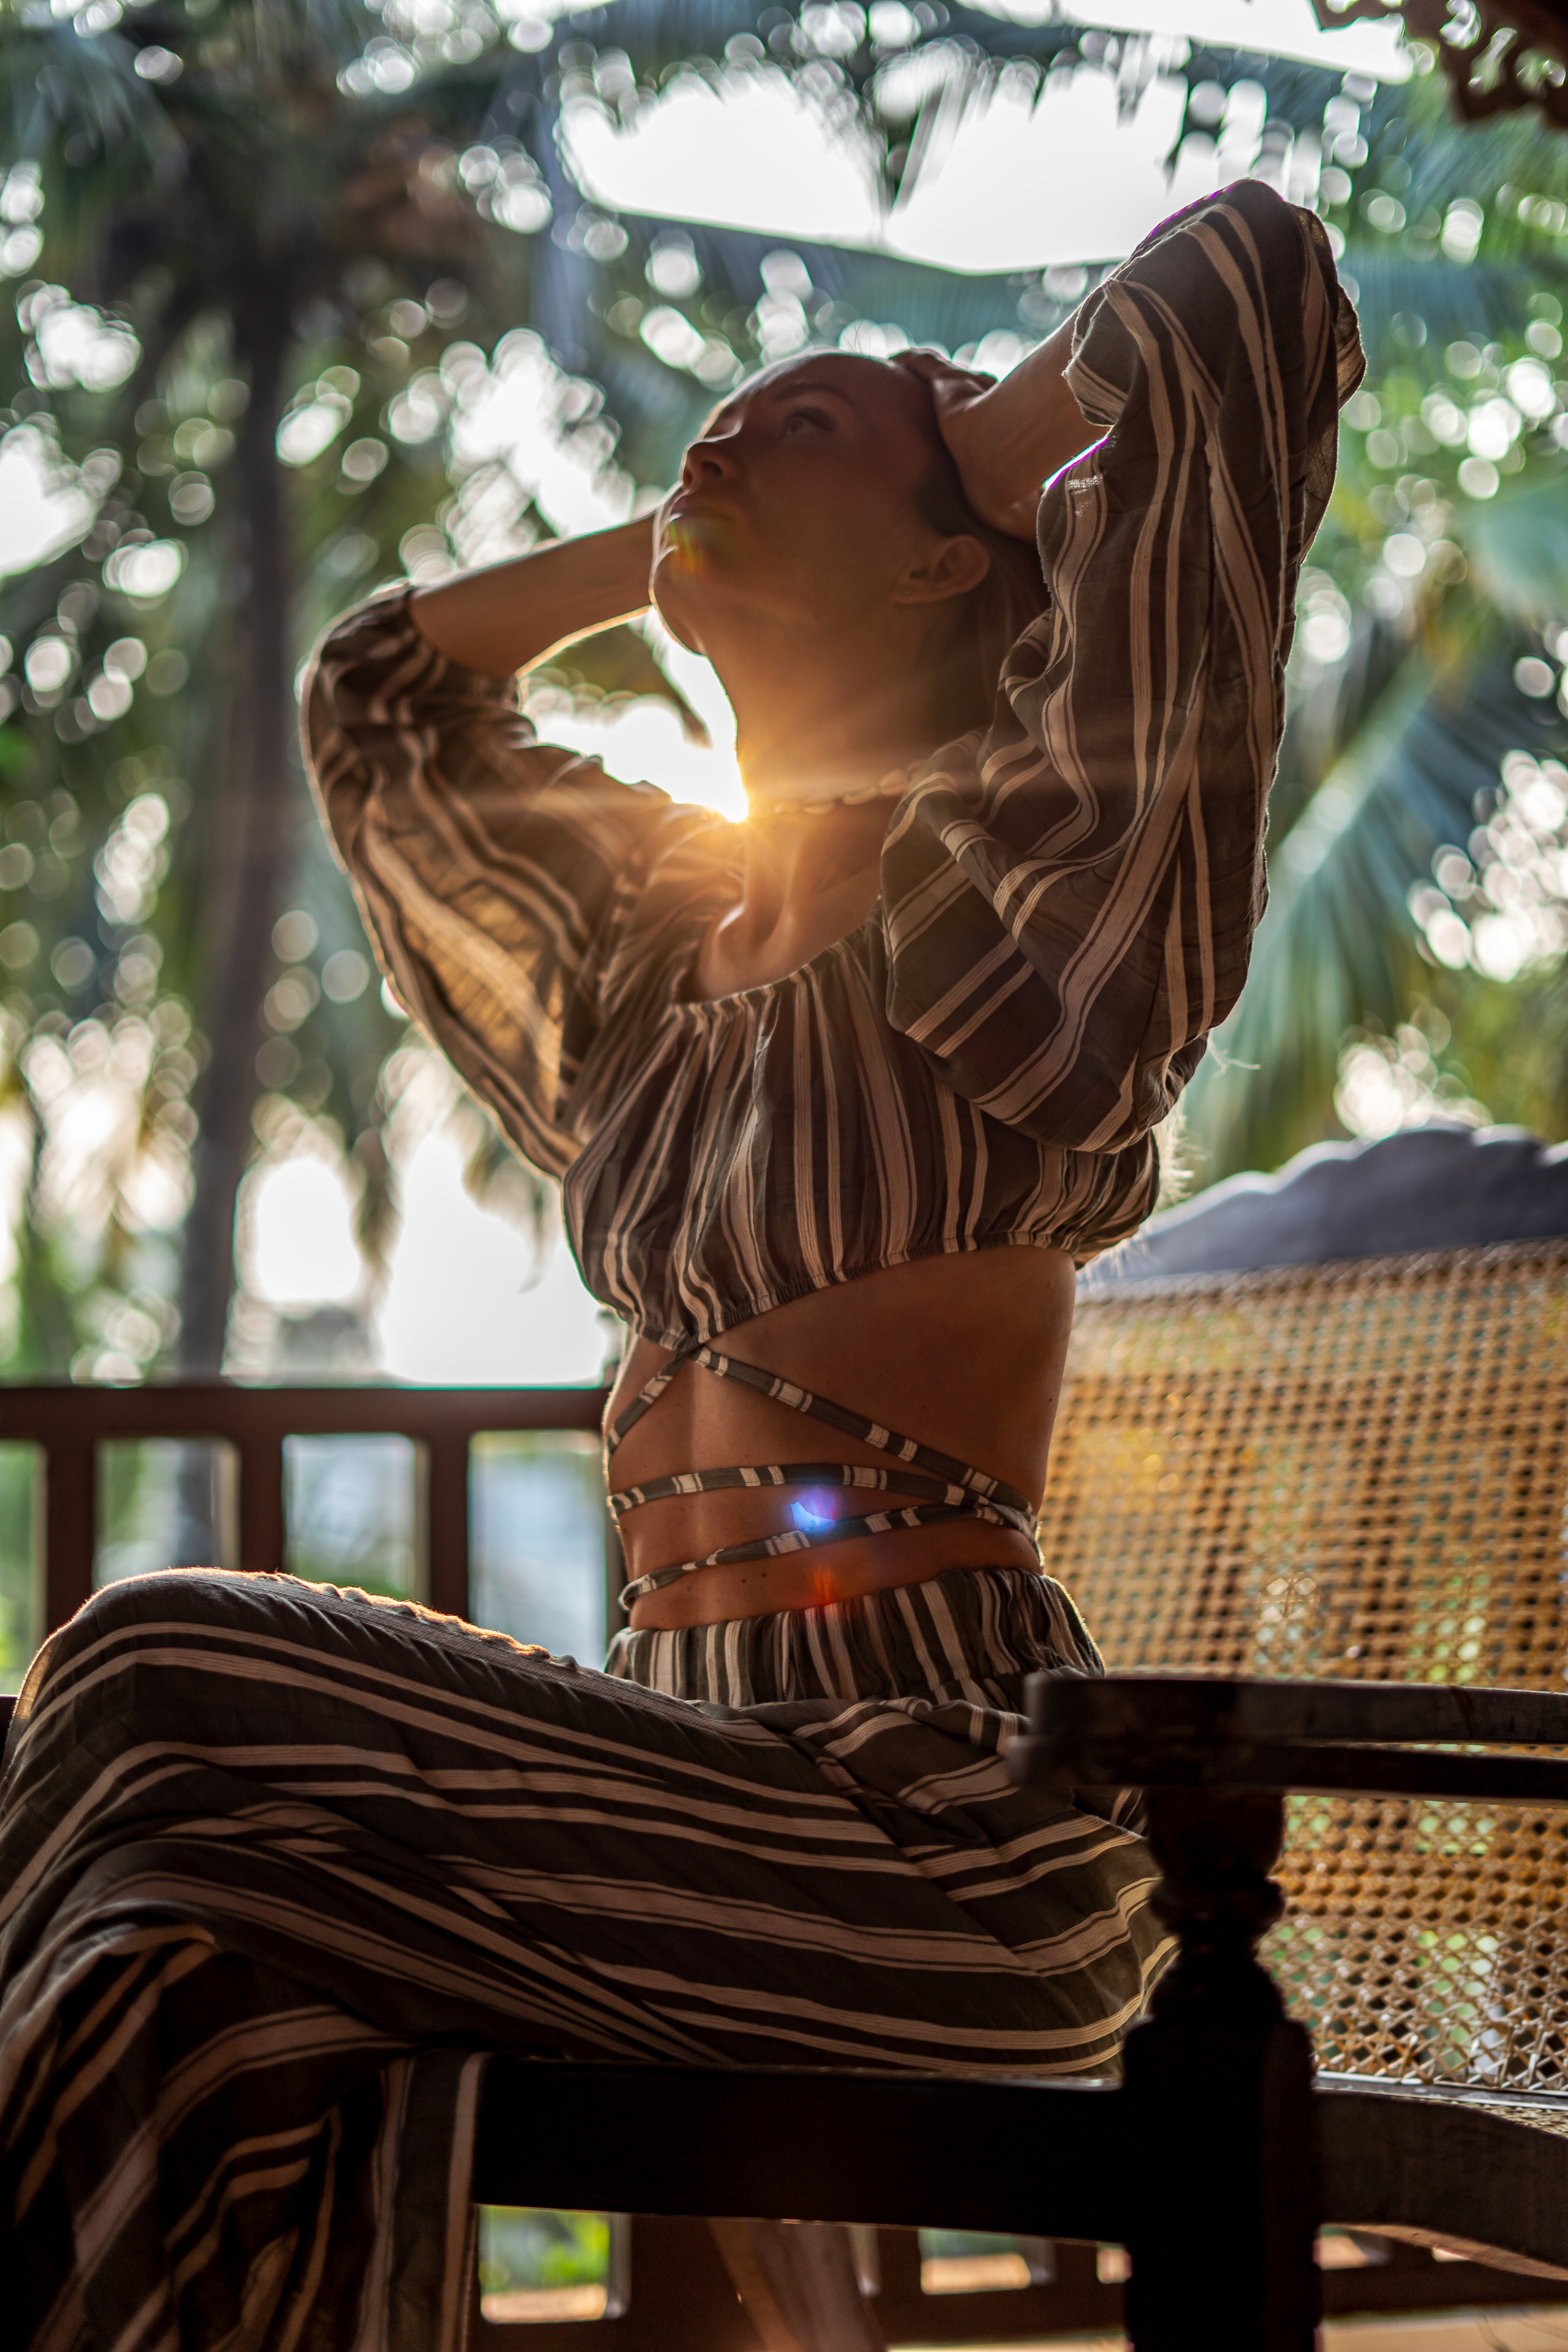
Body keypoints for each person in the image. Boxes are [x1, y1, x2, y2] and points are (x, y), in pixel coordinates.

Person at [0, 178, 1361, 2351]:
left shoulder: (1028, 899)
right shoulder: (650, 977)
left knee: (147, 1662)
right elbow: (381, 702)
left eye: (801, 426)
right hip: (677, 1786)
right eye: (713, 427)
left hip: (944, 1838)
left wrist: (971, 445)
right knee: (163, 1981)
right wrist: (688, 529)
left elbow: (1246, 282)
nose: (720, 439)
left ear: (947, 554)